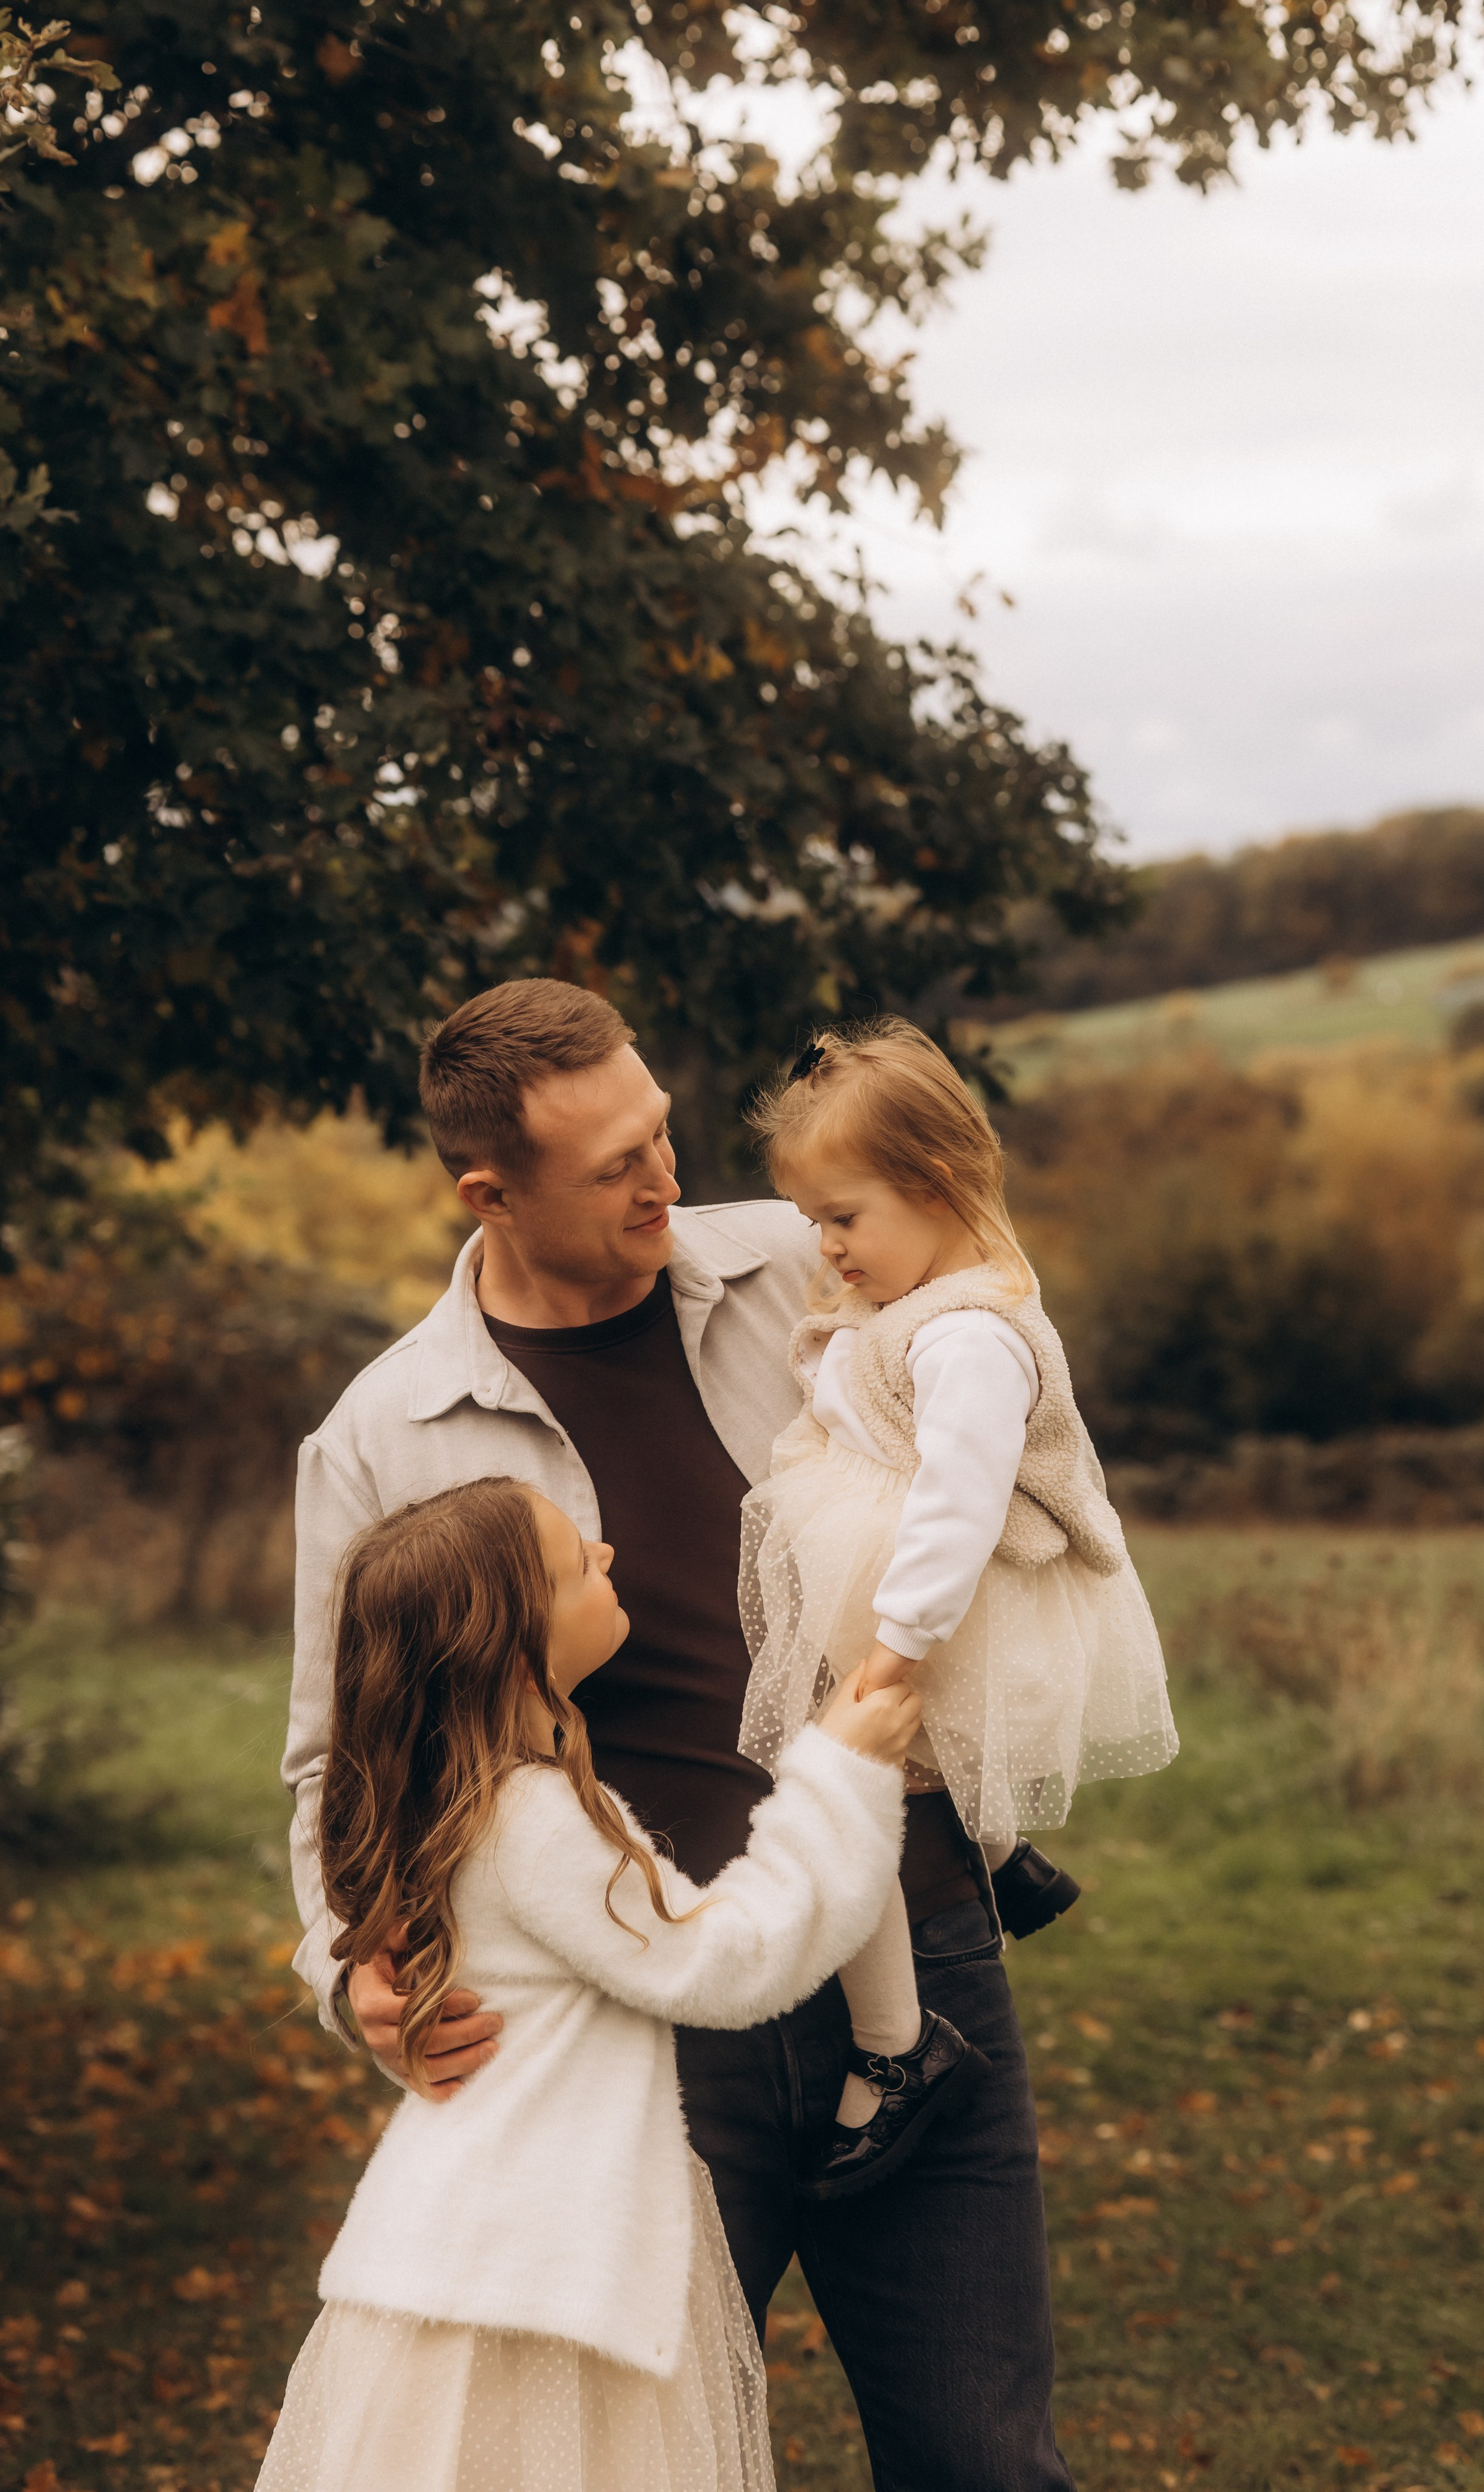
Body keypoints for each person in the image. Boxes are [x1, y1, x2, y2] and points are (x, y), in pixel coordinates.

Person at [282, 975, 1082, 2490]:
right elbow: (338, 1759)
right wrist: (352, 1967)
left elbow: (992, 1369)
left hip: (917, 1947)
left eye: (658, 1132)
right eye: (613, 1167)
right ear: (488, 1192)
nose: (663, 1177)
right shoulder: (384, 1436)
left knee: (987, 2461)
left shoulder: (807, 1257)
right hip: (650, 2033)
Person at [259, 1473, 917, 2492]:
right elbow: (726, 1961)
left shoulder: (451, 1806)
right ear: (522, 1654)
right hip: (539, 2274)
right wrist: (841, 1775)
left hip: (470, 2247)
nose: (607, 1556)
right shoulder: (533, 1822)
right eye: (577, 1564)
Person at [735, 1020, 1179, 2197]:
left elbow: (960, 1501)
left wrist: (897, 1647)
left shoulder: (971, 1336)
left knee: (843, 1793)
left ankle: (897, 2046)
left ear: (933, 1186)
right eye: (815, 1221)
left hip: (920, 1600)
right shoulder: (918, 1302)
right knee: (913, 1768)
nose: (826, 1247)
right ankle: (1004, 1854)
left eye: (843, 1217)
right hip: (887, 1585)